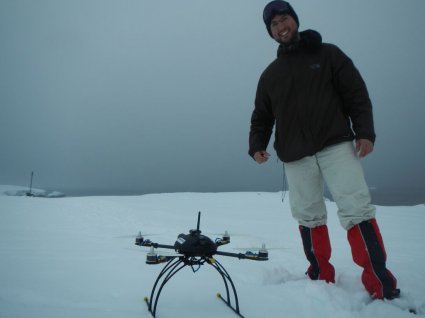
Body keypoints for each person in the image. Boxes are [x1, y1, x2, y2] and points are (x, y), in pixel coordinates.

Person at [248, 0, 400, 300]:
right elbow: (261, 116)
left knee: (356, 209)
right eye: (274, 24)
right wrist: (256, 147)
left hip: (335, 144)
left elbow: (355, 92)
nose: (281, 27)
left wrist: (365, 132)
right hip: (294, 154)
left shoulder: (328, 53)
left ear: (295, 20)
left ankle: (380, 283)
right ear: (270, 32)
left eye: (284, 19)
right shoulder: (270, 75)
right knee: (308, 216)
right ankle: (319, 274)